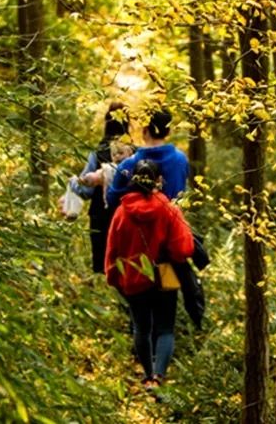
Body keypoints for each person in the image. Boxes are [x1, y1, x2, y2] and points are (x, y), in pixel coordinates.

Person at [104, 160, 194, 389]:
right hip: (165, 272)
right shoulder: (169, 209)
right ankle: (158, 377)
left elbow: (113, 250)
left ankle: (147, 375)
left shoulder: (121, 213)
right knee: (165, 328)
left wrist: (113, 278)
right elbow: (183, 249)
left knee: (141, 329)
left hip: (133, 275)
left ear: (133, 180)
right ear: (159, 180)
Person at [67, 102, 130, 274]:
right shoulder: (136, 153)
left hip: (101, 218)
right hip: (129, 216)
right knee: (129, 266)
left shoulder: (98, 153)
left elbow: (85, 190)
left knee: (106, 267)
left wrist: (73, 182)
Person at [106, 107, 188, 208]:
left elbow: (112, 200)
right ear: (168, 131)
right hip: (172, 217)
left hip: (136, 217)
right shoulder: (180, 160)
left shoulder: (127, 165)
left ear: (145, 130)